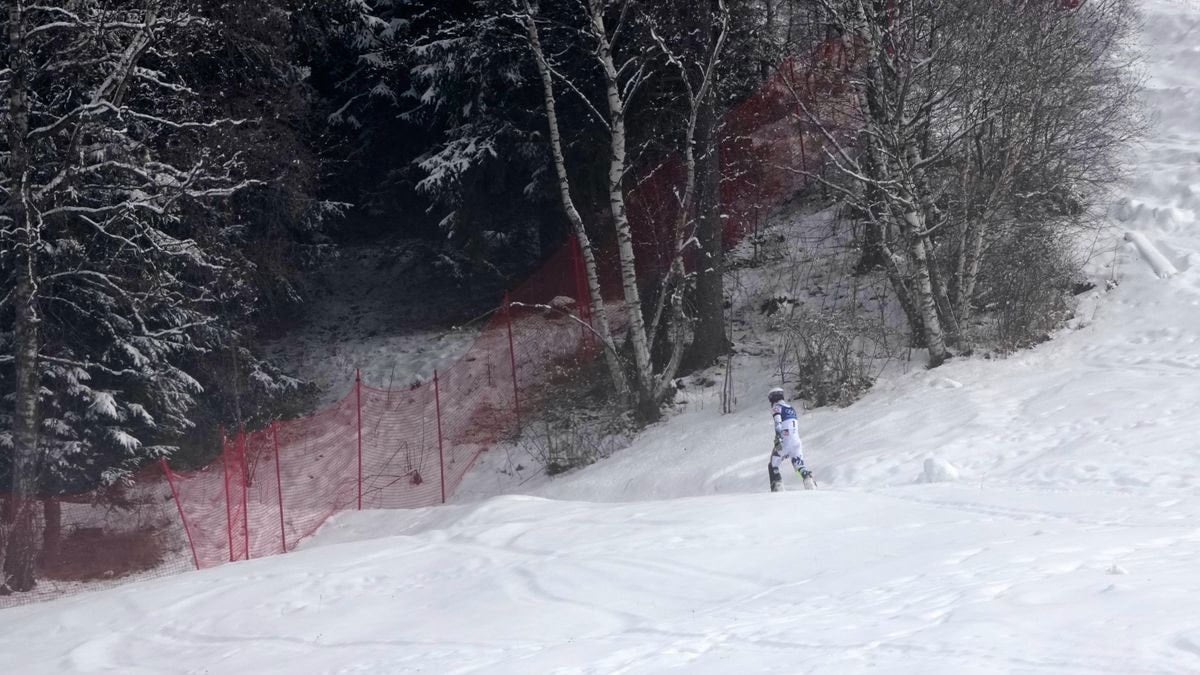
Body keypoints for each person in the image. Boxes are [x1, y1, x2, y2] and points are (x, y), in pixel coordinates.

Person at [768, 387, 815, 492]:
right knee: (798, 465)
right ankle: (807, 479)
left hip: (785, 440)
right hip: (796, 440)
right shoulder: (790, 408)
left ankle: (777, 486)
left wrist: (778, 437)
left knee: (773, 464)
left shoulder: (777, 407)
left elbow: (778, 422)